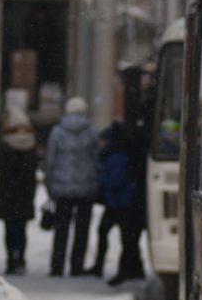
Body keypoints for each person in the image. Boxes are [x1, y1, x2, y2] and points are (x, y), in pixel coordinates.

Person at [44, 96, 99, 276]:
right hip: (86, 188)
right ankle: (77, 265)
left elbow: (50, 160)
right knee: (82, 229)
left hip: (62, 187)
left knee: (61, 229)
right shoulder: (91, 132)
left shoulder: (57, 132)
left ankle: (57, 265)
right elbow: (97, 159)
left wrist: (50, 185)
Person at [96, 120, 147, 286]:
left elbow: (114, 181)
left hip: (120, 203)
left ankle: (121, 271)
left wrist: (100, 179)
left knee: (124, 238)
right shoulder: (118, 153)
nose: (100, 143)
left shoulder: (115, 156)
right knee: (128, 239)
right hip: (122, 202)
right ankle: (135, 270)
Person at [0, 107, 39, 274]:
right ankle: (20, 257)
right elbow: (32, 169)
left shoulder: (4, 145)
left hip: (8, 193)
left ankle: (12, 257)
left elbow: (0, 168)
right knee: (21, 229)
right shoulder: (32, 144)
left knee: (9, 229)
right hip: (25, 193)